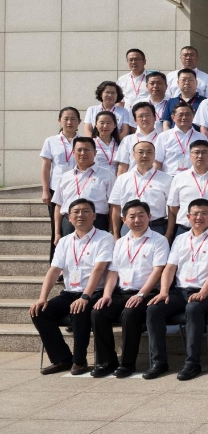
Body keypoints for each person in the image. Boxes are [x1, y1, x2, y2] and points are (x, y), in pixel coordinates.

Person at [144, 199, 208, 380]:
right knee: (154, 309)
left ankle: (192, 363)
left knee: (193, 308)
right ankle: (158, 362)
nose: (199, 217)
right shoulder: (180, 238)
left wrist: (203, 292)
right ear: (188, 217)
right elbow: (170, 267)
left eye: (204, 213)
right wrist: (164, 291)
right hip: (181, 291)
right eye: (195, 214)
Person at [32, 199, 114, 375]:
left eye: (85, 211)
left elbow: (99, 269)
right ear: (69, 218)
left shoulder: (105, 238)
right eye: (76, 212)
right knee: (40, 312)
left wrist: (85, 296)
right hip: (70, 292)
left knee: (79, 310)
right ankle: (62, 359)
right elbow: (54, 270)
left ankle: (79, 361)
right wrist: (42, 297)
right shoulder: (64, 241)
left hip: (95, 292)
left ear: (94, 216)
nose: (80, 215)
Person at [91, 200, 168, 378]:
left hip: (147, 293)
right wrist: (107, 295)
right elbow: (113, 272)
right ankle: (107, 361)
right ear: (124, 220)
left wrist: (141, 295)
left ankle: (127, 363)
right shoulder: (120, 243)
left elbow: (158, 271)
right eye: (132, 216)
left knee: (130, 313)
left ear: (149, 217)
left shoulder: (159, 240)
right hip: (122, 292)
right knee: (98, 313)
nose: (137, 220)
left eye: (141, 215)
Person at [51, 137, 115, 248]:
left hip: (97, 221)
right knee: (71, 255)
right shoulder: (65, 177)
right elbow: (58, 206)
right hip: (70, 223)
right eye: (79, 150)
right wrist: (57, 233)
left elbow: (113, 206)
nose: (82, 153)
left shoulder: (107, 175)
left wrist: (112, 230)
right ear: (73, 153)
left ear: (95, 153)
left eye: (87, 150)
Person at [167, 140, 208, 240]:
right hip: (185, 229)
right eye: (196, 152)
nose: (200, 156)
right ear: (190, 156)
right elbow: (173, 207)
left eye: (204, 152)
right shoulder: (179, 178)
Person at [108, 141, 172, 237]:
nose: (145, 155)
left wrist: (169, 233)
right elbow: (116, 207)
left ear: (154, 155)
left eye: (149, 152)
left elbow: (171, 208)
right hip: (128, 228)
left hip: (156, 227)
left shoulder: (166, 179)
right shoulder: (122, 178)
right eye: (141, 152)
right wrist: (116, 235)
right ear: (133, 155)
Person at [41, 107, 83, 246]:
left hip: (78, 188)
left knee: (77, 226)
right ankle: (56, 257)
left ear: (79, 122)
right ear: (59, 120)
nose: (69, 122)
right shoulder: (51, 141)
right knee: (56, 228)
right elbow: (46, 167)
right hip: (56, 189)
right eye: (66, 119)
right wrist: (45, 190)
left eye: (73, 119)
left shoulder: (84, 141)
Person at [153, 103, 202, 177]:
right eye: (180, 115)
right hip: (170, 177)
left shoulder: (201, 138)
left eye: (188, 114)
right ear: (173, 117)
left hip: (193, 178)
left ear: (193, 116)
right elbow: (157, 162)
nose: (184, 117)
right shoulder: (164, 137)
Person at [115, 103, 163, 175]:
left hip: (156, 179)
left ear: (155, 117)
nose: (144, 119)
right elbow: (123, 166)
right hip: (133, 179)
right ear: (135, 120)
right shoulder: (128, 140)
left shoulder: (162, 138)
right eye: (140, 116)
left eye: (148, 115)